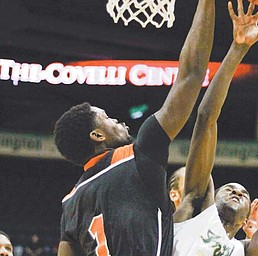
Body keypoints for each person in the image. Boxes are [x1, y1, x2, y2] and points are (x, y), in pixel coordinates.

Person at [53, 0, 216, 254]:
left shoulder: (71, 202)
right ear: (97, 135)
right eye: (108, 118)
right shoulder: (135, 156)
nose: (118, 121)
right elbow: (192, 74)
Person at [171, 0, 258, 255]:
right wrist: (237, 49)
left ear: (245, 221)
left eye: (243, 193)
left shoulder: (243, 250)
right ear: (211, 199)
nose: (237, 190)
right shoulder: (193, 209)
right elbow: (206, 119)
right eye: (230, 189)